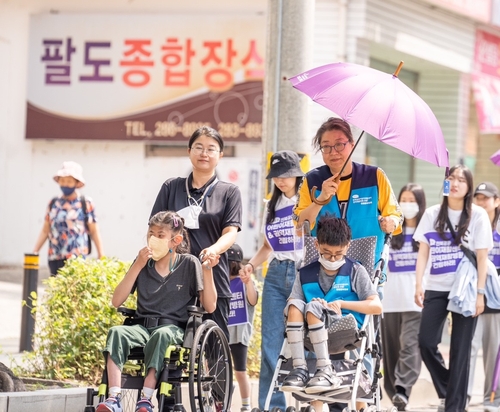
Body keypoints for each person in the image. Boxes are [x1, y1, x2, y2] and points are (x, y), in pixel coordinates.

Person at [96, 211, 218, 412]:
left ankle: (146, 398)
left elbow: (210, 306)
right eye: (150, 233)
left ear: (175, 240)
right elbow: (117, 300)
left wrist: (208, 270)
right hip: (142, 327)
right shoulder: (143, 263)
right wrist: (138, 265)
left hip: (173, 329)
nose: (153, 239)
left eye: (160, 235)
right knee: (117, 332)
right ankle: (113, 397)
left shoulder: (189, 263)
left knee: (161, 335)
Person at [281, 216, 382, 411]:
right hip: (310, 331)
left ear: (347, 246)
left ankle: (327, 371)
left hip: (345, 329)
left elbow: (376, 306)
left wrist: (342, 303)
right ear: (317, 244)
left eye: (338, 253)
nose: (333, 258)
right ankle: (300, 369)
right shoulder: (305, 273)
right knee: (298, 305)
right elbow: (293, 302)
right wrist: (312, 304)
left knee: (313, 307)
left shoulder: (355, 270)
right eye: (326, 253)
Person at [150, 126, 242, 339]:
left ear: (220, 155)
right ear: (189, 151)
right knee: (168, 338)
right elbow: (153, 230)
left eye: (211, 149)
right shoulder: (171, 187)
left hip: (212, 273)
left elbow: (230, 232)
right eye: (198, 147)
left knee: (214, 342)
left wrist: (213, 250)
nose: (204, 153)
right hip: (172, 275)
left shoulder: (229, 192)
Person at [413, 165, 493, 412]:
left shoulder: (477, 215)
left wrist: (480, 294)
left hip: (467, 289)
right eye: (451, 178)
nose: (455, 183)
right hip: (436, 287)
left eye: (461, 179)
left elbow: (482, 259)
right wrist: (419, 283)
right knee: (425, 341)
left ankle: (454, 407)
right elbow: (423, 252)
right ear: (446, 183)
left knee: (461, 349)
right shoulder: (432, 214)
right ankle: (450, 385)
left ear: (468, 187)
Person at [293, 117, 403, 279]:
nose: (333, 152)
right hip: (322, 275)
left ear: (352, 144)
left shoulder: (374, 176)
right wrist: (321, 198)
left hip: (367, 272)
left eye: (339, 144)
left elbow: (396, 216)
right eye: (326, 147)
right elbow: (300, 226)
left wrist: (390, 222)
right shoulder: (311, 180)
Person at [240, 150, 304, 411]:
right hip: (276, 273)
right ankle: (271, 405)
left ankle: (308, 403)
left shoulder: (307, 200)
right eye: (276, 176)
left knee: (305, 341)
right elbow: (268, 247)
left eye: (285, 175)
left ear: (297, 174)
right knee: (271, 342)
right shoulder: (271, 205)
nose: (280, 180)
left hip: (304, 271)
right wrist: (251, 265)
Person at [380, 183, 426, 411]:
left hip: (415, 302)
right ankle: (396, 396)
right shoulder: (390, 232)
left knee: (409, 346)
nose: (408, 204)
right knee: (390, 353)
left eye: (412, 200)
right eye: (404, 200)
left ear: (421, 203)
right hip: (389, 301)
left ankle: (402, 389)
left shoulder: (426, 232)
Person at [33, 161, 104, 275]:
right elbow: (46, 230)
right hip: (55, 256)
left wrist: (101, 254)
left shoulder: (85, 203)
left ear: (76, 183)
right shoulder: (53, 203)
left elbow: (94, 231)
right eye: (63, 181)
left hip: (77, 257)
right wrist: (35, 251)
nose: (65, 184)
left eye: (69, 181)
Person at [467, 182, 500, 412]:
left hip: (496, 298)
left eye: (485, 198)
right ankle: (463, 397)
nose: (481, 202)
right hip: (472, 295)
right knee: (469, 348)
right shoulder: (470, 226)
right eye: (477, 198)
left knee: (494, 351)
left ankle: (493, 399)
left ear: (496, 201)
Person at [225, 243, 258, 412]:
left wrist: (248, 283)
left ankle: (246, 405)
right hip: (223, 332)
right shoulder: (220, 281)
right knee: (221, 371)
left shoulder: (245, 281)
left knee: (240, 371)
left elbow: (253, 300)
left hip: (239, 334)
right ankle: (222, 403)